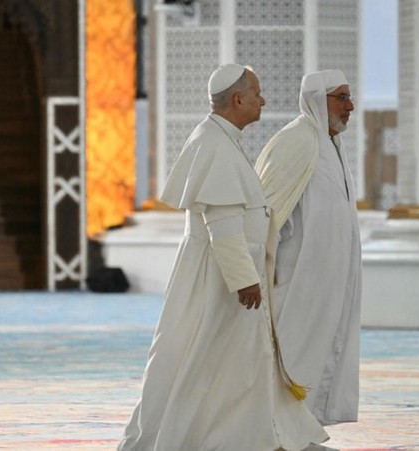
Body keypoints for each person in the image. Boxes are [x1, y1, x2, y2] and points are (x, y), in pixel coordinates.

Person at [118, 64, 328, 450]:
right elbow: (223, 226)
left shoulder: (219, 139)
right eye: (258, 94)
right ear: (238, 99)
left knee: (230, 359)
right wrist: (244, 279)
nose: (263, 100)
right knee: (204, 357)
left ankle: (251, 434)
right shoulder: (213, 143)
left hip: (226, 272)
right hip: (220, 278)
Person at [254, 70, 362, 426]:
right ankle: (280, 432)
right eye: (342, 98)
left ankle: (305, 429)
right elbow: (265, 212)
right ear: (319, 99)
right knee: (294, 351)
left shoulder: (330, 144)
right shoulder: (296, 141)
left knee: (321, 349)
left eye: (349, 97)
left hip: (328, 279)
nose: (350, 107)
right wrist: (265, 272)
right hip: (297, 279)